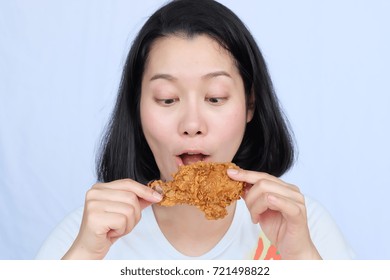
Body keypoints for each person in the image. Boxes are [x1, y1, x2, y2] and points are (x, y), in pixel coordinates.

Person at [36, 0, 355, 260]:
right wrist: (83, 258)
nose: (191, 125)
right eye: (167, 99)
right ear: (137, 108)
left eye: (215, 97)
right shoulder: (86, 234)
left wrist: (299, 255)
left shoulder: (305, 227)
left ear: (249, 106)